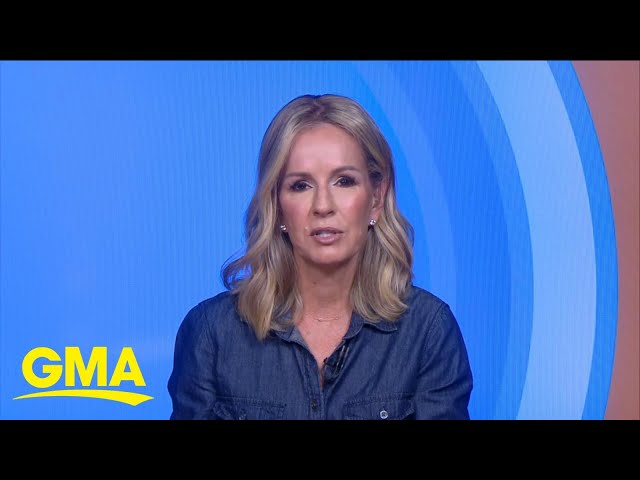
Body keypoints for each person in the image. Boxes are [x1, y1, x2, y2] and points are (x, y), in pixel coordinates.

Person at [168, 93, 473, 420]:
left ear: (376, 199)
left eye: (344, 181)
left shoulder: (428, 331)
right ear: (277, 206)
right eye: (301, 185)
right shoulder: (211, 334)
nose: (323, 205)